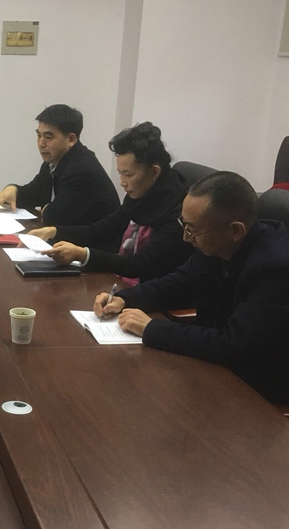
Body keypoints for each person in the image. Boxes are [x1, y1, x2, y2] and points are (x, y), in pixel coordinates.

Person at [94, 172, 289, 403]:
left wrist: (152, 328)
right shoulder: (217, 244)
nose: (186, 238)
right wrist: (125, 298)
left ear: (235, 230)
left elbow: (235, 345)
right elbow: (177, 283)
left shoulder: (275, 268)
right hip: (215, 366)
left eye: (193, 229)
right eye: (183, 225)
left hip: (258, 390)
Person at [27, 122, 193, 284]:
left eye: (128, 174)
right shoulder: (142, 195)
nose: (122, 182)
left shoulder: (179, 213)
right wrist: (54, 231)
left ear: (154, 171)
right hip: (123, 281)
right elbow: (102, 229)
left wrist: (83, 255)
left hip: (154, 291)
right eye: (120, 173)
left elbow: (139, 265)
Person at [0, 104, 120, 226]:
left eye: (48, 137)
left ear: (71, 139)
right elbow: (32, 195)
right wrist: (13, 189)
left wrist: (47, 210)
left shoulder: (82, 170)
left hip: (92, 243)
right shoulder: (51, 163)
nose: (41, 143)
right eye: (39, 135)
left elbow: (54, 217)